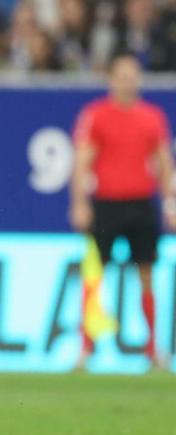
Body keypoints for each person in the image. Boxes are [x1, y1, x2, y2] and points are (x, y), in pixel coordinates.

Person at [70, 54, 176, 369]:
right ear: (112, 79)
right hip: (106, 204)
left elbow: (163, 164)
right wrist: (79, 202)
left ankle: (153, 350)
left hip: (141, 203)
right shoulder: (97, 115)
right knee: (94, 276)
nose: (128, 81)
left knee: (145, 275)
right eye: (122, 75)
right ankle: (86, 349)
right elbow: (82, 161)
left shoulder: (152, 117)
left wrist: (170, 203)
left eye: (133, 75)